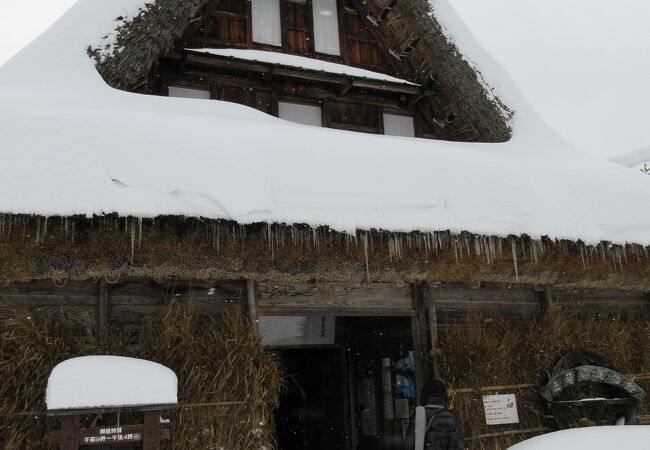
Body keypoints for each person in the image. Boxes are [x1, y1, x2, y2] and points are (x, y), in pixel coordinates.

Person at [403, 379, 463, 450]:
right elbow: (456, 446)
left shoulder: (419, 414)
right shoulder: (451, 417)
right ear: (444, 395)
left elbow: (408, 445)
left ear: (424, 394)